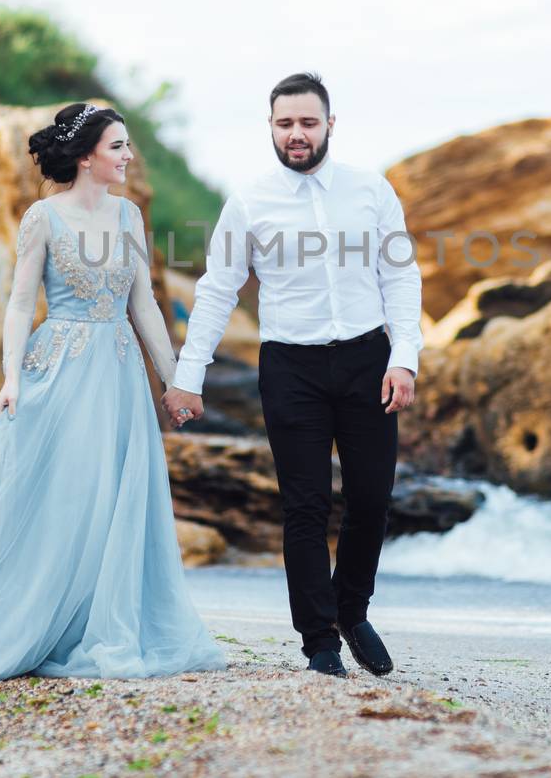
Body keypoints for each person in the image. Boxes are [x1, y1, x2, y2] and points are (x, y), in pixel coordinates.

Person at [0, 102, 227, 691]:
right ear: (88, 155)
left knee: (113, 494)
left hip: (117, 373)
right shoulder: (42, 217)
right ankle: (31, 619)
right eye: (118, 146)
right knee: (62, 494)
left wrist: (174, 381)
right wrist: (10, 376)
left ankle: (98, 622)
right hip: (61, 368)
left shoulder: (129, 217)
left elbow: (143, 302)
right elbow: (20, 304)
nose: (128, 156)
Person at [162, 73, 422, 678]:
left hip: (366, 358)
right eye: (285, 124)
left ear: (330, 124)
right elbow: (218, 289)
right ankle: (319, 642)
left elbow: (401, 277)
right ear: (271, 128)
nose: (297, 134)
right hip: (290, 368)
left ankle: (352, 612)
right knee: (303, 506)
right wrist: (189, 376)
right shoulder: (249, 201)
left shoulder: (370, 190)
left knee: (371, 499)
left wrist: (403, 356)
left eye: (308, 122)